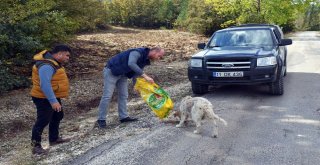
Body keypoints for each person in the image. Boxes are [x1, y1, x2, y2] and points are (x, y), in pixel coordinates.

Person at [96, 47, 165, 128]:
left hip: (123, 74)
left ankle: (123, 117)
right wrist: (146, 76)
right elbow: (131, 63)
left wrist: (136, 86)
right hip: (112, 71)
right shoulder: (138, 52)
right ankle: (101, 119)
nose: (159, 59)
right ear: (154, 51)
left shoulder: (145, 60)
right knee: (107, 96)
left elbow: (136, 73)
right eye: (159, 56)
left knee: (124, 95)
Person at [30, 44, 72, 155]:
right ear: (60, 54)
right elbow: (44, 85)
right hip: (43, 97)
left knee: (58, 115)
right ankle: (35, 146)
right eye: (67, 55)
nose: (68, 58)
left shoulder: (53, 62)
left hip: (51, 95)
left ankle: (54, 139)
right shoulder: (47, 65)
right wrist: (53, 101)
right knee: (42, 121)